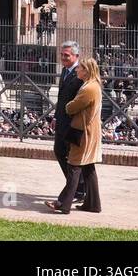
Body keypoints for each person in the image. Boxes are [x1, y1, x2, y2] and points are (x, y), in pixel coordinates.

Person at [47, 57, 103, 214]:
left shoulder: (88, 89)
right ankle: (93, 204)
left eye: (80, 68)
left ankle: (62, 204)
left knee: (74, 166)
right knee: (88, 168)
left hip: (82, 133)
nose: (77, 70)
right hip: (87, 131)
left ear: (86, 71)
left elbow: (70, 108)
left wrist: (68, 105)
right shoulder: (93, 86)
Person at [52, 40, 86, 206]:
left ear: (76, 56)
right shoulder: (65, 71)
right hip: (61, 121)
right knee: (59, 151)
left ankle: (77, 189)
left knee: (73, 158)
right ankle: (76, 187)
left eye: (67, 55)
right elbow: (61, 98)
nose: (63, 58)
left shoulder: (81, 74)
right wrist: (56, 117)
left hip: (73, 123)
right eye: (62, 55)